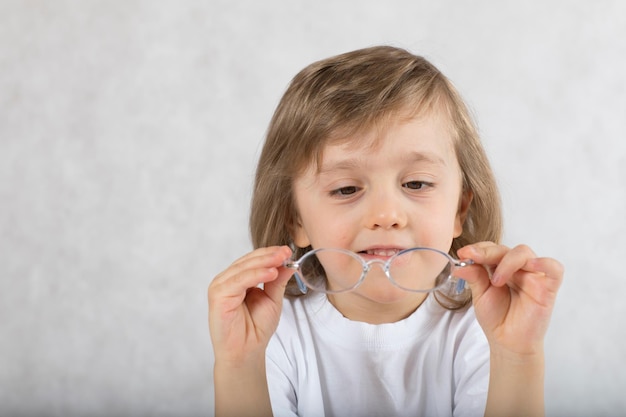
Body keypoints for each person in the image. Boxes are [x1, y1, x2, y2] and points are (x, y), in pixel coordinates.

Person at [208, 45, 563, 417]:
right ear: (294, 219)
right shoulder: (269, 334)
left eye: (416, 184)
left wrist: (517, 357)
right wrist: (238, 364)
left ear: (460, 209)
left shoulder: (487, 331)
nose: (386, 215)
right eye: (346, 189)